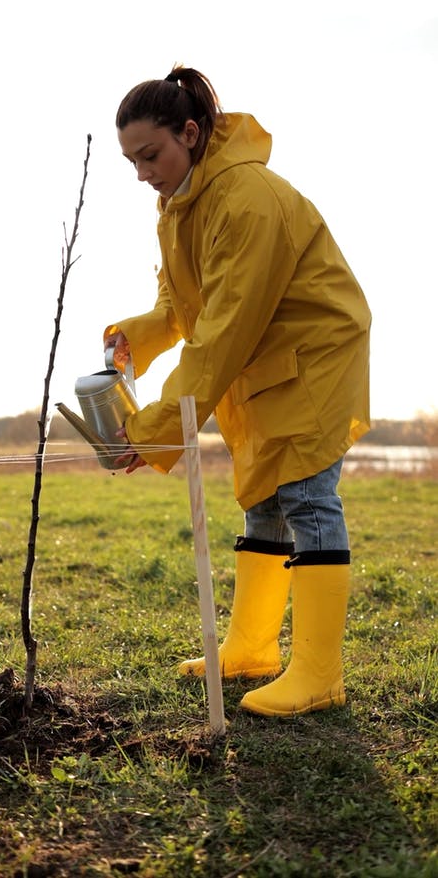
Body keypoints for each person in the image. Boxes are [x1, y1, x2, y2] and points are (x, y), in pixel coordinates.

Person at [104, 65, 371, 717]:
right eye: (131, 162)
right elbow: (183, 305)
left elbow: (221, 332)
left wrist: (159, 426)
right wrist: (135, 334)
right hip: (262, 358)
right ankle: (252, 648)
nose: (143, 174)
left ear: (190, 133)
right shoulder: (178, 208)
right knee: (263, 501)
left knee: (307, 496)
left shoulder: (246, 198)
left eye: (151, 155)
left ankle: (319, 672)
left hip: (315, 353)